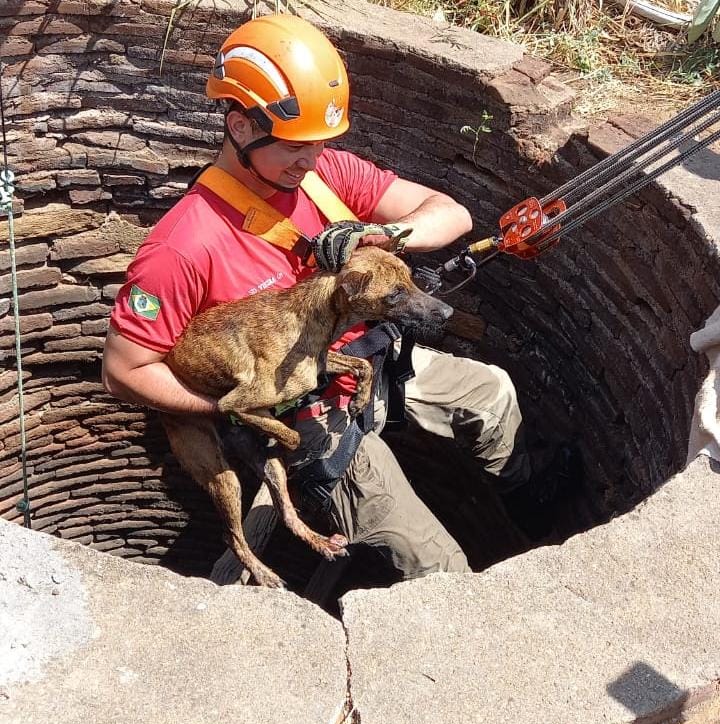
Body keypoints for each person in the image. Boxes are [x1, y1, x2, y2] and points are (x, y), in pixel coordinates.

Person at [102, 14, 570, 583]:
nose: (311, 160)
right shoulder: (184, 247)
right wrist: (236, 410)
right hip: (304, 412)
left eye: (321, 145)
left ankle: (531, 505)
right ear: (241, 126)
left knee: (491, 394)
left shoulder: (322, 177)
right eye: (296, 148)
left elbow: (452, 213)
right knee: (439, 569)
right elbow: (125, 371)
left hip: (366, 358)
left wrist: (387, 235)